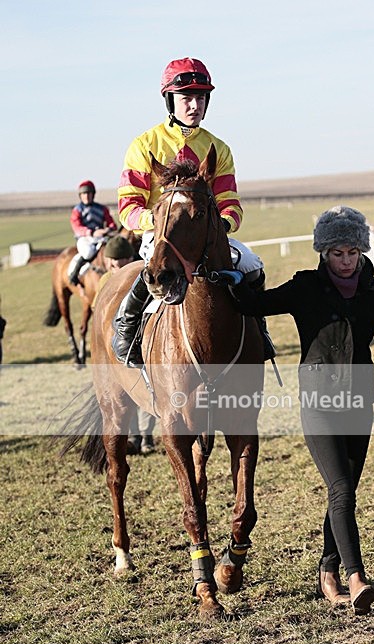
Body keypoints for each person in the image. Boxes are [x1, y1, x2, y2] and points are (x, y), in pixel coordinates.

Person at [232, 206, 374, 616]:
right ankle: (356, 577)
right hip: (317, 403)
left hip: (359, 403)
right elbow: (253, 305)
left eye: (353, 251)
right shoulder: (304, 288)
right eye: (337, 252)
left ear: (361, 250)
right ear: (322, 251)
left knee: (345, 492)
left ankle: (327, 569)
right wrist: (228, 277)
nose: (346, 260)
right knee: (340, 489)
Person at [113, 56, 274, 367]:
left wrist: (223, 224)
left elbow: (229, 201)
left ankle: (259, 332)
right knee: (151, 268)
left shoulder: (218, 148)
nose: (194, 105)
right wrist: (158, 221)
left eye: (200, 98)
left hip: (206, 235)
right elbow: (129, 206)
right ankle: (127, 328)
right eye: (186, 98)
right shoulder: (144, 144)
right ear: (170, 101)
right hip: (160, 234)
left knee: (252, 267)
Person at [94, 237, 157, 455]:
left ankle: (147, 435)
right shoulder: (104, 281)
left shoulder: (140, 274)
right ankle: (134, 436)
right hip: (114, 340)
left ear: (131, 258)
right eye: (113, 261)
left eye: (122, 260)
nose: (117, 265)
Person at [69, 180, 117, 286]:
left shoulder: (102, 208)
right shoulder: (77, 210)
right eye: (84, 194)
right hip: (84, 238)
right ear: (80, 195)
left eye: (89, 193)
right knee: (87, 252)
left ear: (93, 194)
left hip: (101, 237)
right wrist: (91, 232)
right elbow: (76, 227)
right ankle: (74, 274)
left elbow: (112, 224)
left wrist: (108, 229)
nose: (86, 196)